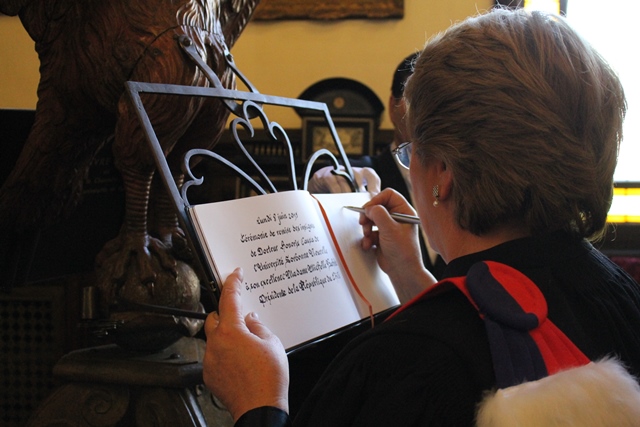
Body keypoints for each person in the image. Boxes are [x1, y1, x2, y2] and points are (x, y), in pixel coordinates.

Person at [203, 8, 640, 426]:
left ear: (443, 174)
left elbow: (458, 357)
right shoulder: (616, 292)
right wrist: (414, 276)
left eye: (414, 152)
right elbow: (502, 336)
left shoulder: (404, 364)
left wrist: (259, 402)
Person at [308, 53, 446, 279]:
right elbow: (335, 175)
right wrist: (325, 181)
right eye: (416, 100)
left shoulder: (468, 184)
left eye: (440, 103)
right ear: (393, 107)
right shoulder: (363, 176)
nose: (428, 115)